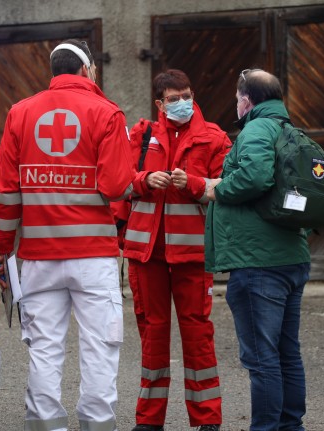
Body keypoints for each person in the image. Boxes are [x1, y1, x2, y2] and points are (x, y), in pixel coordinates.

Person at [0, 39, 135, 431]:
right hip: (93, 259)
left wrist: (0, 250)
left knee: (44, 350)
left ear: (53, 71)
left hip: (38, 257)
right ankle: (97, 425)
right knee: (100, 350)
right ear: (87, 70)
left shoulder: (21, 113)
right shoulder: (106, 113)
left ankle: (44, 424)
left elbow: (4, 191)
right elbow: (117, 185)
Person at [115, 69, 230, 431]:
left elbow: (228, 188)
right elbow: (119, 182)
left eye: (186, 95)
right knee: (153, 335)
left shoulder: (214, 138)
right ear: (159, 103)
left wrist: (194, 184)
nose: (182, 103)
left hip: (193, 257)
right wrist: (144, 180)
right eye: (173, 98)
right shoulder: (142, 133)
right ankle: (149, 422)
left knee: (198, 335)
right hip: (146, 254)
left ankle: (207, 420)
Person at [205, 68, 311, 431]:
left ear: (247, 101)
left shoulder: (255, 128)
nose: (236, 106)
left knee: (262, 359)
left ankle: (266, 428)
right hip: (291, 258)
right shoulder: (289, 129)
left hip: (258, 264)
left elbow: (254, 177)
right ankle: (290, 426)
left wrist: (217, 188)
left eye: (237, 99)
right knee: (286, 353)